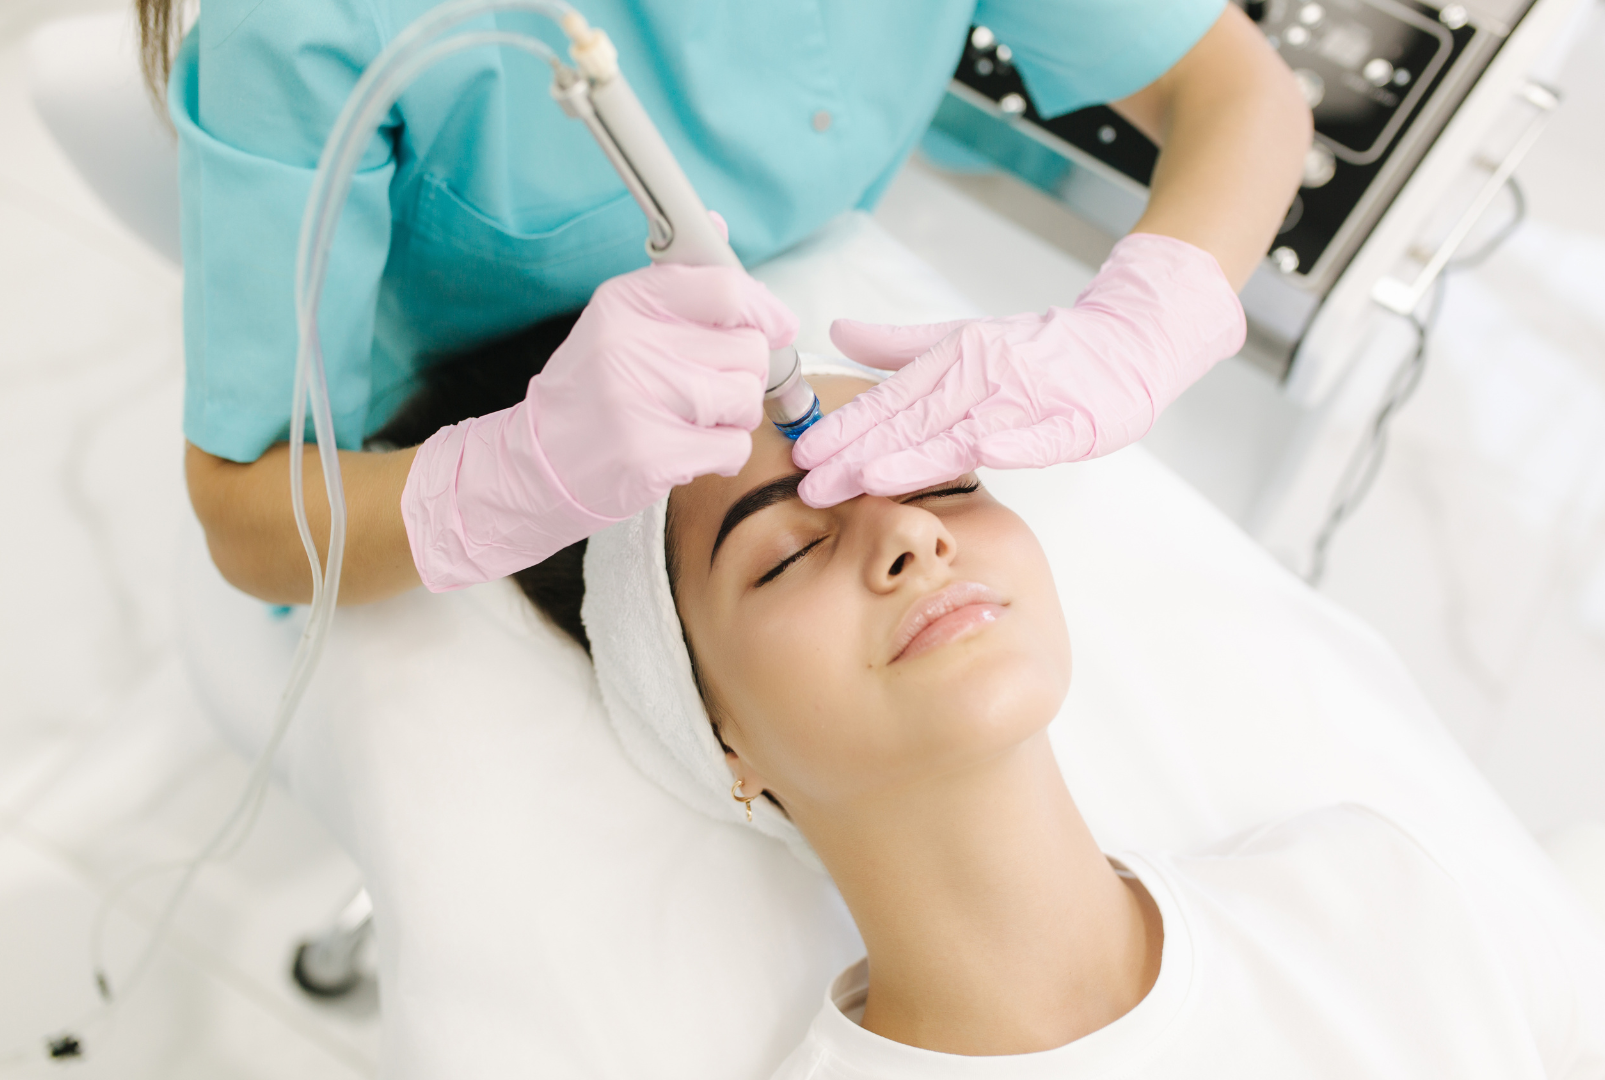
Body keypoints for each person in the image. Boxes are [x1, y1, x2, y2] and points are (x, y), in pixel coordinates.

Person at [582, 372, 1605, 1077]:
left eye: (944, 481)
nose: (910, 530)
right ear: (723, 739)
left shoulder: (1376, 902)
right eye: (787, 552)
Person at [135, 0, 1311, 605]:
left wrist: (1143, 324)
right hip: (429, 465)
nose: (909, 538)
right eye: (781, 560)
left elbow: (1234, 93)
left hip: (798, 285)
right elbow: (249, 515)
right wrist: (514, 474)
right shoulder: (311, 26)